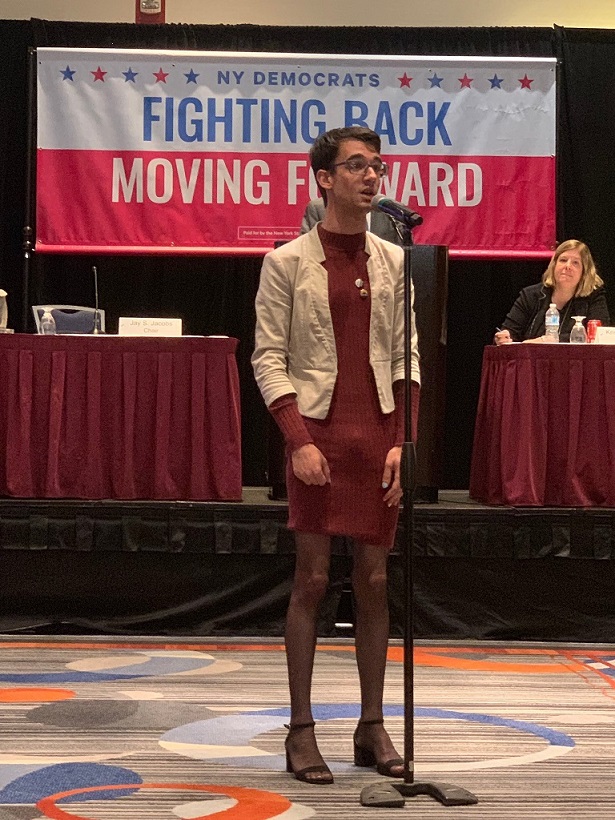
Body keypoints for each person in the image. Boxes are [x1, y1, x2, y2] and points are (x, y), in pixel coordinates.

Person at [252, 126, 421, 785]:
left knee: (375, 581)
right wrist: (297, 440)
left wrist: (404, 441)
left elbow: (407, 357)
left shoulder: (395, 260)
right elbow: (268, 358)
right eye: (355, 166)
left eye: (376, 166)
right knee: (314, 580)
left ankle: (371, 725)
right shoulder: (286, 262)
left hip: (377, 438)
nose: (371, 176)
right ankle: (300, 730)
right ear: (324, 178)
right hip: (317, 439)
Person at [494, 239, 610, 344]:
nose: (567, 266)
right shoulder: (530, 295)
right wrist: (504, 337)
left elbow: (599, 337)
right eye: (563, 260)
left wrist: (549, 340)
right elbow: (509, 332)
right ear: (554, 265)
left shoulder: (594, 297)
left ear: (584, 272)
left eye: (575, 262)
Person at [301, 196, 403, 244]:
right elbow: (307, 252)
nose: (371, 176)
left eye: (376, 169)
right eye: (357, 167)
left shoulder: (390, 209)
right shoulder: (318, 208)